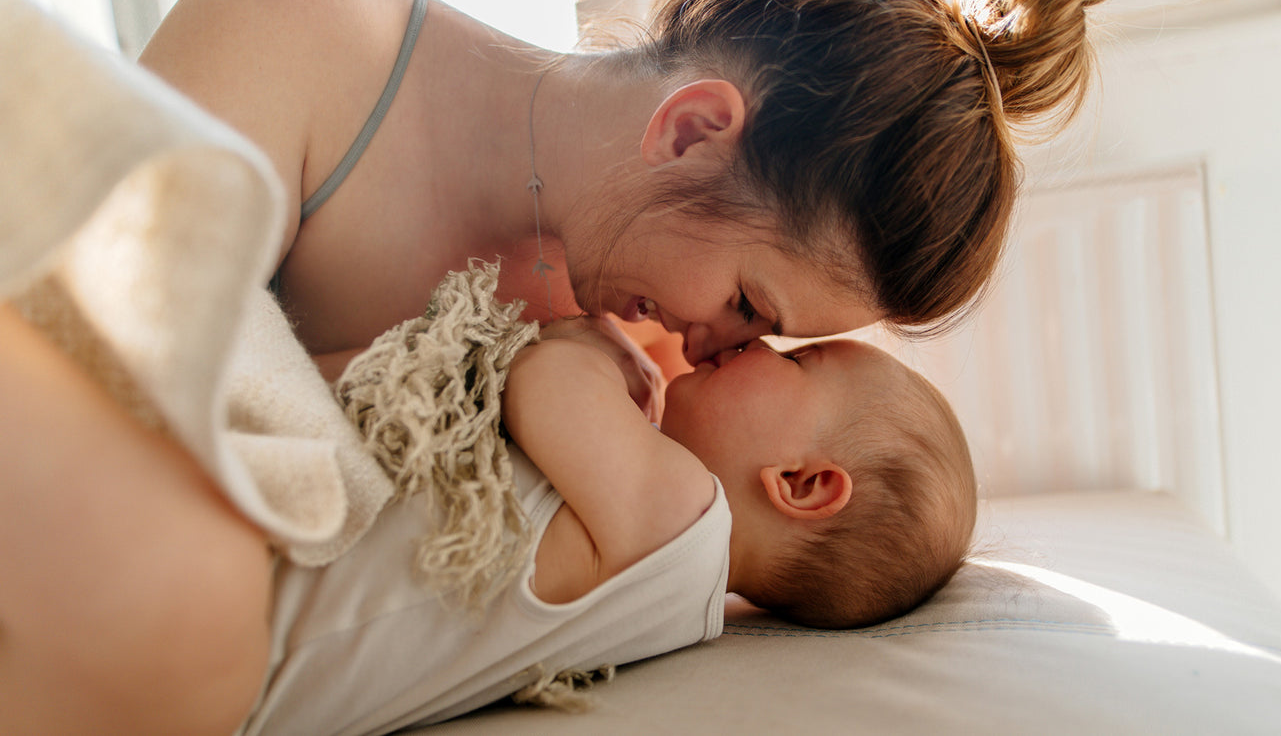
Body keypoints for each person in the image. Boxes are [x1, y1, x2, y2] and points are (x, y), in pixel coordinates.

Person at [136, 0, 1129, 396]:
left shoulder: (622, 349)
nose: (710, 352)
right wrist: (498, 375)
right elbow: (107, 384)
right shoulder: (300, 26)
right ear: (692, 129)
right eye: (749, 306)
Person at [238, 314, 976, 734]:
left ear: (803, 484)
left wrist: (593, 342)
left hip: (243, 619)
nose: (756, 341)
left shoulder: (683, 516)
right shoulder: (677, 582)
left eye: (799, 359)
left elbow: (541, 377)